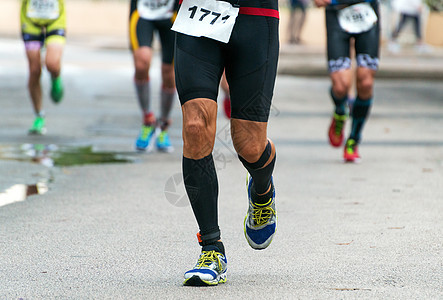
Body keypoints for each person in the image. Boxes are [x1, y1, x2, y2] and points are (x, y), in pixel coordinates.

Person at [172, 0, 279, 286]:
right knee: (195, 127)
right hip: (199, 12)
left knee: (249, 145)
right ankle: (211, 248)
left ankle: (262, 191)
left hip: (256, 16)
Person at [314, 0, 380, 162]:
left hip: (367, 10)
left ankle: (353, 139)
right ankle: (340, 110)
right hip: (336, 11)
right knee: (340, 86)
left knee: (366, 82)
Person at [129, 0, 178, 152]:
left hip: (171, 13)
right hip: (143, 11)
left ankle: (163, 125)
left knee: (169, 72)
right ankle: (147, 120)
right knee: (142, 62)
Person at [21, 0, 66, 135]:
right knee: (34, 70)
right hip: (30, 19)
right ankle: (39, 115)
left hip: (55, 18)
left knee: (52, 63)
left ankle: (55, 76)